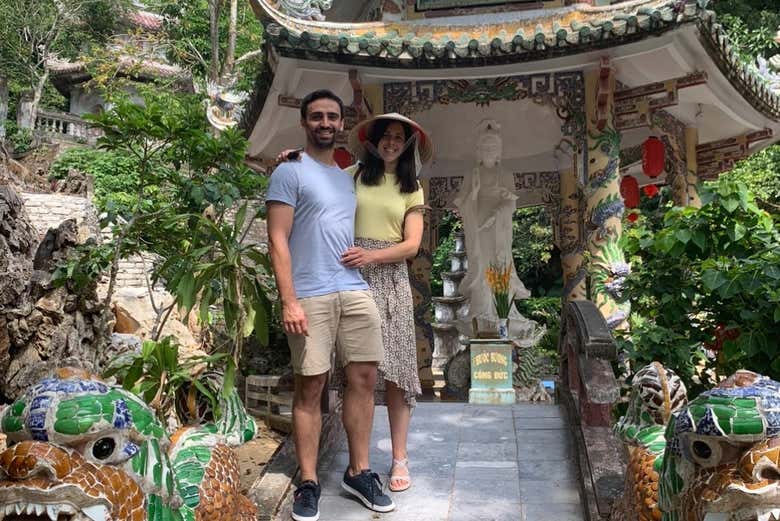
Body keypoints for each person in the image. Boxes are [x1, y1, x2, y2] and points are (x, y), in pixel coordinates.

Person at [280, 111, 433, 494]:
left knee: (397, 371)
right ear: (374, 140)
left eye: (399, 137)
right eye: (386, 136)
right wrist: (291, 158)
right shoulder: (351, 177)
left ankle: (399, 456)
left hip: (389, 279)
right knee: (340, 372)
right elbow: (317, 176)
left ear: (408, 143)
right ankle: (341, 463)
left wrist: (372, 256)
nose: (392, 142)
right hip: (342, 275)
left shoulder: (412, 189)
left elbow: (412, 245)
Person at [266, 90, 395, 521]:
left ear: (342, 124)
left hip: (353, 288)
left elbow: (398, 162)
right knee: (311, 387)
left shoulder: (346, 176)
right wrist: (289, 301)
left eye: (332, 117)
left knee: (363, 379)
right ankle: (307, 480)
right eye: (317, 116)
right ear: (304, 122)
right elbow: (277, 238)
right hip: (310, 293)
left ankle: (358, 472)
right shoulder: (288, 171)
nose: (325, 122)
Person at [453, 119, 529, 333]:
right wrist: (475, 191)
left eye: (493, 148)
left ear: (499, 152)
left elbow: (511, 204)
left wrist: (499, 211)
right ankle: (480, 309)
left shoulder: (505, 174)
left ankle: (502, 311)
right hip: (478, 229)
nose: (489, 151)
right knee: (481, 266)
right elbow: (463, 204)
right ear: (478, 151)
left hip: (499, 230)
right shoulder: (472, 175)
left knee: (500, 265)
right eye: (485, 148)